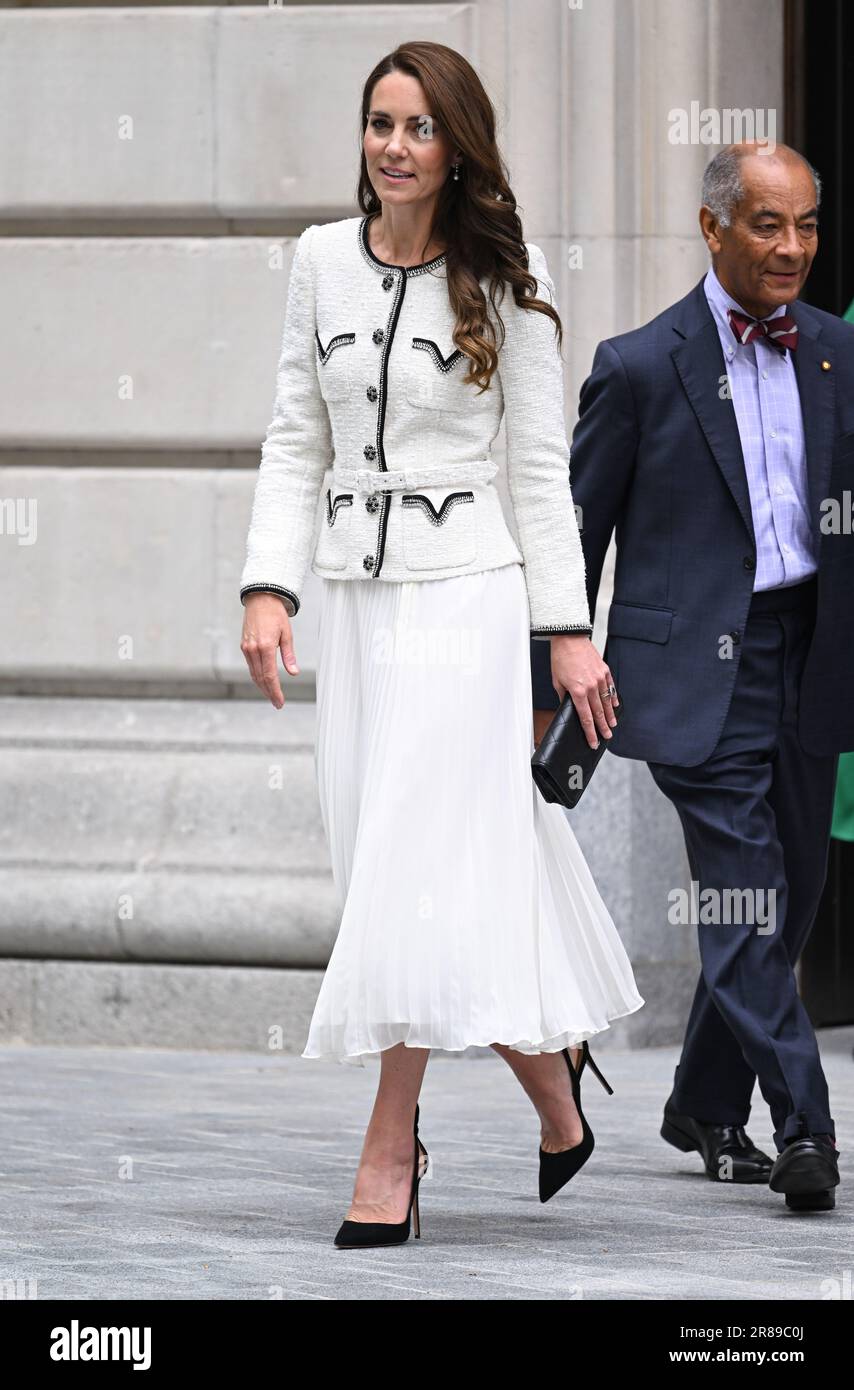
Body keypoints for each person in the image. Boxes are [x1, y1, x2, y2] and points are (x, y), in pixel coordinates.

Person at [239, 40, 643, 1247]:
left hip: (466, 600)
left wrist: (566, 635)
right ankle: (549, 1076)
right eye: (379, 123)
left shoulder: (506, 293)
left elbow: (536, 480)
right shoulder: (318, 261)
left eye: (417, 127)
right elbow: (290, 437)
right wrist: (269, 587)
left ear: (456, 147)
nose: (393, 146)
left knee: (413, 871)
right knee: (392, 870)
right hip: (357, 605)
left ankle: (387, 1148)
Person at [532, 141, 854, 1212]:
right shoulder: (635, 364)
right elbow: (574, 528)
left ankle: (700, 1100)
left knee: (793, 888)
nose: (791, 247)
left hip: (807, 654)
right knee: (744, 900)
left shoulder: (834, 350)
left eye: (805, 224)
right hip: (688, 673)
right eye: (767, 224)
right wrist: (557, 651)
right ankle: (804, 1125)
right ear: (712, 228)